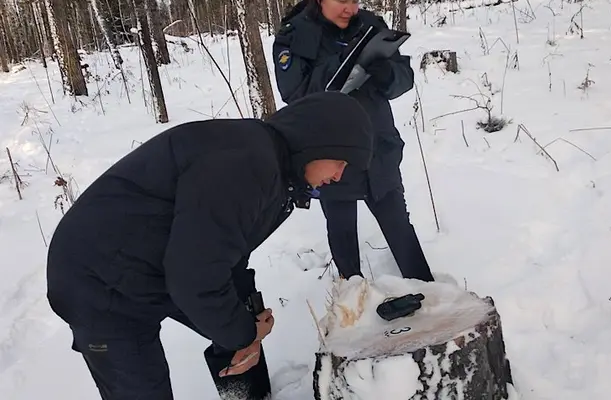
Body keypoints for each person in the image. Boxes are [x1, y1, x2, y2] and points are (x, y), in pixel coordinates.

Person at [45, 91, 374, 400]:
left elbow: (224, 252)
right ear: (319, 142)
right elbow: (194, 277)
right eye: (341, 163)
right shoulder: (247, 164)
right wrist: (244, 333)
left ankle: (248, 395)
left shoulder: (272, 167)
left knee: (239, 324)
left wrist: (248, 320)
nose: (338, 177)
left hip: (155, 262)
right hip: (97, 281)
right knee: (145, 386)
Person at [272, 0, 434, 283]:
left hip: (380, 151)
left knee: (399, 227)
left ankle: (430, 297)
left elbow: (405, 78)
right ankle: (353, 302)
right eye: (341, 0)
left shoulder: (371, 26)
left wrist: (386, 73)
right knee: (343, 234)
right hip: (331, 161)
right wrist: (347, 65)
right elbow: (296, 96)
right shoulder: (294, 37)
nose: (350, 8)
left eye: (356, 0)